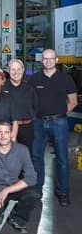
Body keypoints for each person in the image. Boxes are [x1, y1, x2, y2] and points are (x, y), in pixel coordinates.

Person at [30, 49, 77, 207]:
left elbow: (73, 101)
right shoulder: (34, 79)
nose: (48, 61)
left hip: (59, 122)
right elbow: (30, 101)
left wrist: (60, 113)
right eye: (45, 58)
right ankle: (37, 190)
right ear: (41, 60)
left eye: (51, 58)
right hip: (38, 122)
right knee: (36, 157)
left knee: (62, 159)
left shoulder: (66, 79)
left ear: (56, 60)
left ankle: (63, 192)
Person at [2, 59, 37, 153]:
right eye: (13, 69)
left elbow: (35, 107)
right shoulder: (2, 88)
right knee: (6, 154)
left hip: (26, 127)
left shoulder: (29, 89)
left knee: (26, 154)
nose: (16, 72)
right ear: (8, 71)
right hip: (6, 127)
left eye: (18, 69)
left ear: (23, 70)